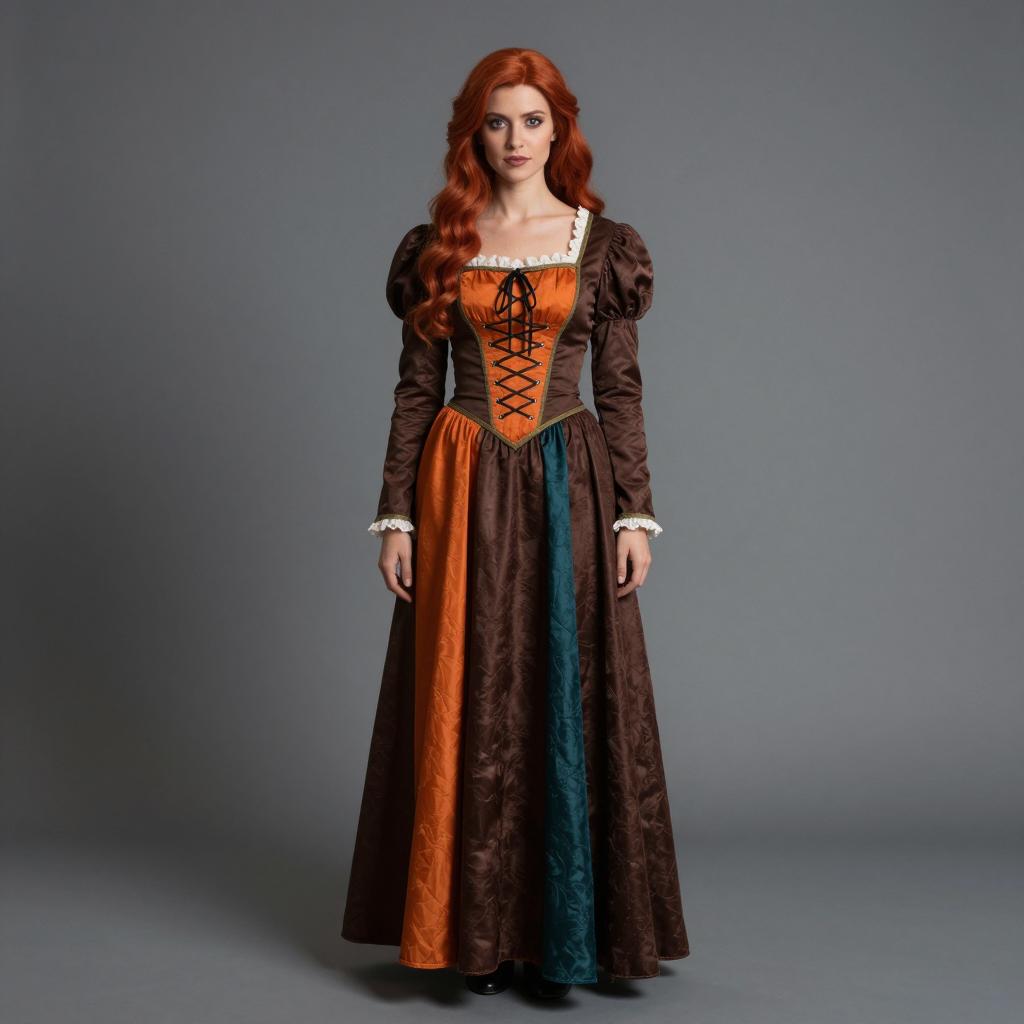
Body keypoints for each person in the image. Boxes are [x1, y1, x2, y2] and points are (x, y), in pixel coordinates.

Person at [341, 47, 690, 1000]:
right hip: (459, 481)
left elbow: (620, 390)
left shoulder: (602, 244)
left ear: (559, 128)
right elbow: (417, 390)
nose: (515, 139)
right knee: (466, 689)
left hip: (568, 479)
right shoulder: (439, 245)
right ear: (473, 134)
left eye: (533, 120)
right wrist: (396, 513)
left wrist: (635, 513)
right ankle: (478, 936)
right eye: (497, 122)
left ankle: (560, 934)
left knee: (564, 687)